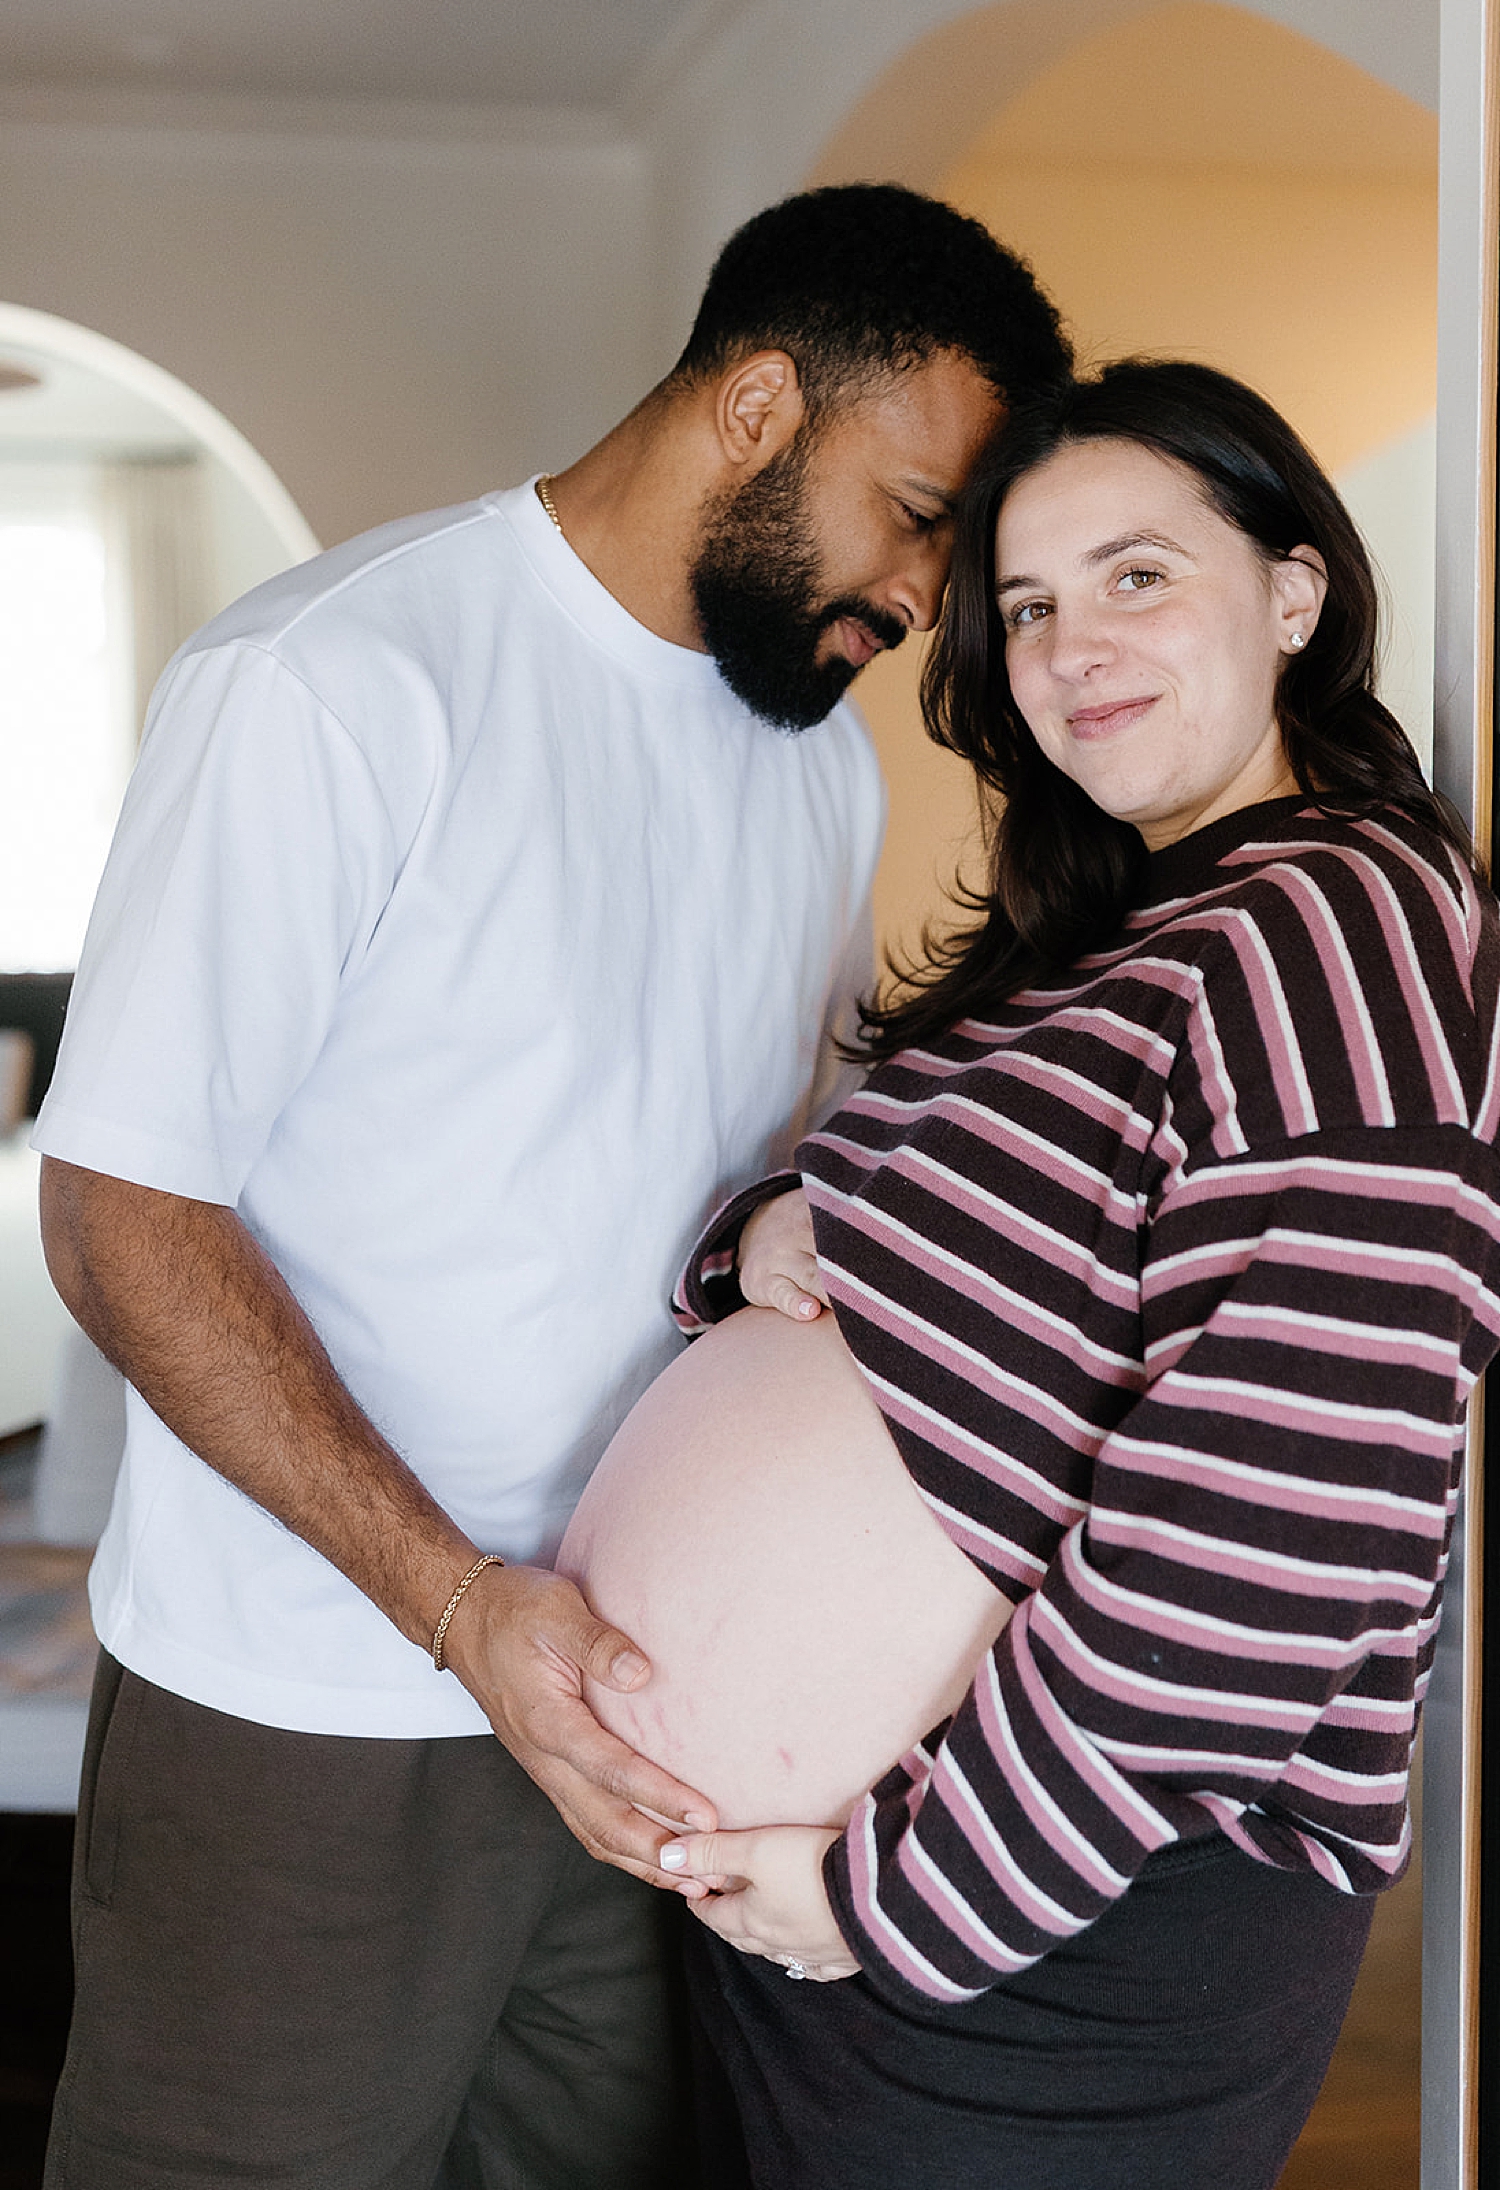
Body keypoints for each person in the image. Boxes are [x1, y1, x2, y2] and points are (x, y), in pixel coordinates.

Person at [32, 185, 1071, 2190]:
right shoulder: (335, 683)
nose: (928, 595)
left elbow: (767, 1200)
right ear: (760, 406)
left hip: (662, 1718)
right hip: (313, 1710)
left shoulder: (818, 766)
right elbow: (120, 1213)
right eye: (920, 511)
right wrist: (456, 1606)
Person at [655, 360, 1500, 2189]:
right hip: (869, 1886)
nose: (1068, 649)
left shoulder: (1339, 917)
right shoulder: (1112, 936)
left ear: (1294, 592)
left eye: (1137, 575)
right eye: (1028, 606)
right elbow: (947, 1260)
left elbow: (1275, 1525)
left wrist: (903, 1891)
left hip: (1056, 1914)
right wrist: (763, 1242)